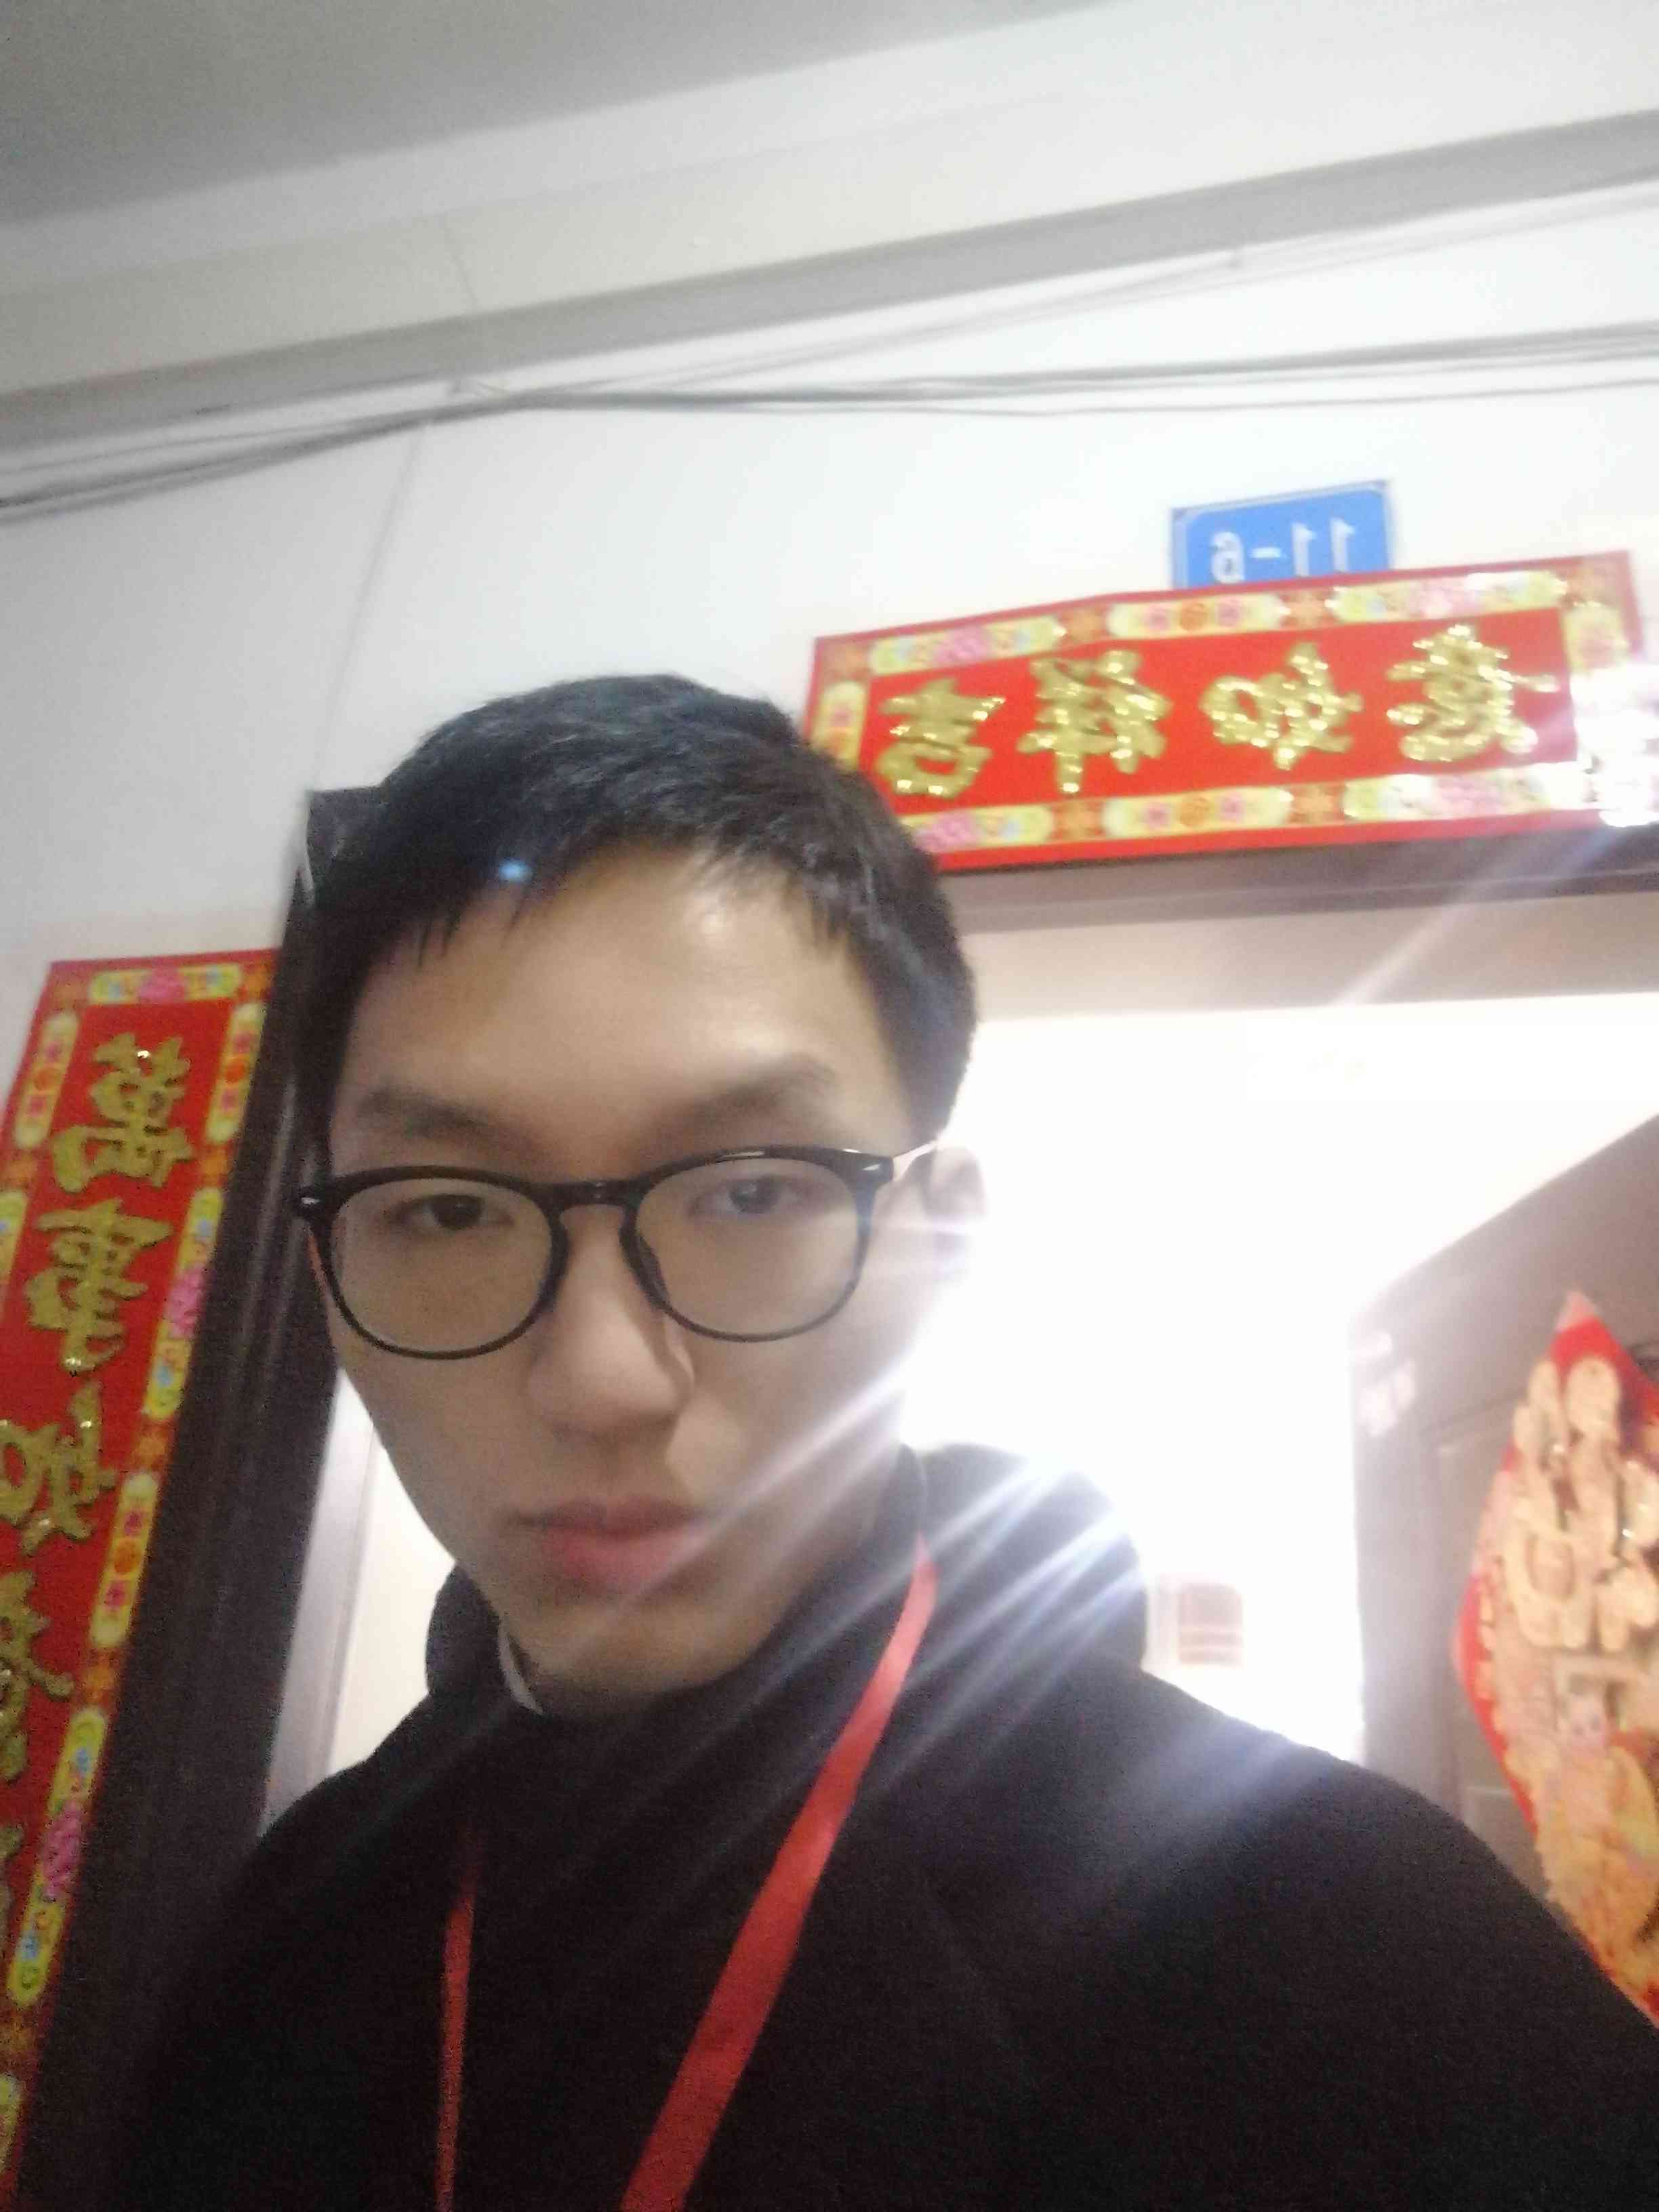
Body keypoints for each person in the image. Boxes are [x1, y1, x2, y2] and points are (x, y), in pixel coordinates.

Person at [120, 676, 1658, 2210]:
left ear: (939, 1241)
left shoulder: (1352, 1958)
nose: (599, 1382)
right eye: (451, 1211)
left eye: (751, 1193)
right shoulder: (288, 1928)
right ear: (326, 1273)